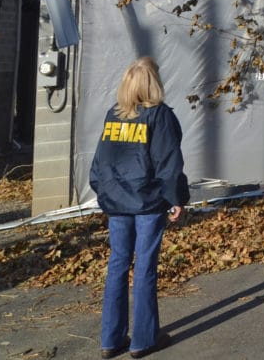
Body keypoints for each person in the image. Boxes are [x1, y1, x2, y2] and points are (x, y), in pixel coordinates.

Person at [89, 57, 190, 359]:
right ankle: (143, 341)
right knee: (144, 267)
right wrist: (177, 199)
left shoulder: (113, 116)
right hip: (148, 203)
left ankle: (110, 340)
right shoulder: (160, 117)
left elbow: (99, 164)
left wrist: (104, 192)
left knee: (117, 265)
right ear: (153, 83)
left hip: (117, 203)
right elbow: (168, 163)